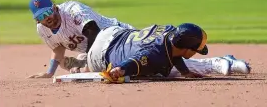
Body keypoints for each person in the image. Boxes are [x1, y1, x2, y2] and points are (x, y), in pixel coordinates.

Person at [27, 0, 250, 79]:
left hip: (110, 35)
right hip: (113, 44)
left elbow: (93, 33)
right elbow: (57, 48)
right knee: (160, 58)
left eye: (47, 12)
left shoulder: (73, 10)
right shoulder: (43, 29)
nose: (45, 18)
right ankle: (224, 63)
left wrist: (89, 66)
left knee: (156, 65)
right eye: (40, 16)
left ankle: (221, 64)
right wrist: (50, 72)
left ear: (55, 7)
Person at [70, 23, 250, 83]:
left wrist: (185, 72)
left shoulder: (172, 32)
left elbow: (175, 53)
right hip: (99, 55)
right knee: (156, 70)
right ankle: (84, 62)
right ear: (186, 48)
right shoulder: (155, 54)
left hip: (114, 32)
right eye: (195, 50)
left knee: (164, 66)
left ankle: (82, 62)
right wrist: (119, 70)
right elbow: (135, 62)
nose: (196, 53)